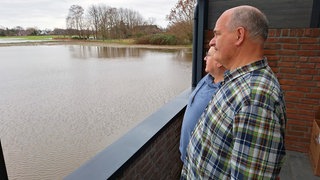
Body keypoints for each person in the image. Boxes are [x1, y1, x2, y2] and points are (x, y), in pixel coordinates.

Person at [181, 5, 287, 179]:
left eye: (217, 34)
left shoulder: (255, 98)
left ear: (239, 35)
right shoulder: (237, 80)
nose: (211, 42)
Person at [179, 47, 226, 164]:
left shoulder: (223, 93)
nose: (205, 58)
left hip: (200, 163)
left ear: (219, 62)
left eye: (208, 55)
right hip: (186, 158)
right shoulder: (208, 78)